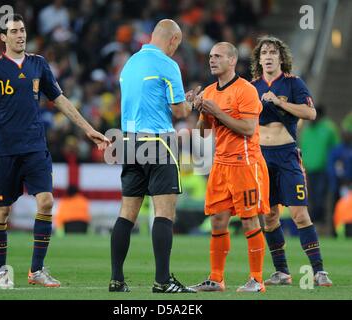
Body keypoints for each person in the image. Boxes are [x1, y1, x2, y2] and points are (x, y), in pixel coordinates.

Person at [0, 14, 110, 289]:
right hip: (4, 150)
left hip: (35, 147)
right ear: (3, 37)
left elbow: (60, 99)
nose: (20, 35)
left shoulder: (38, 64)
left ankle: (36, 270)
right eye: (14, 31)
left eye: (22, 30)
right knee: (2, 212)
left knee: (45, 202)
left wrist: (87, 128)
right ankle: (0, 272)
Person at [109, 19, 197, 293]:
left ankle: (116, 279)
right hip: (158, 141)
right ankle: (162, 281)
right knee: (164, 213)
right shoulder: (167, 65)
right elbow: (180, 112)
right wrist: (193, 102)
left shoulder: (130, 63)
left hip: (128, 141)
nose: (175, 50)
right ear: (172, 40)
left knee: (127, 213)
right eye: (177, 45)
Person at [251, 36, 332, 286]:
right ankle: (282, 272)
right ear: (259, 59)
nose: (268, 55)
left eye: (272, 52)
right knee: (270, 217)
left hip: (286, 154)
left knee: (299, 214)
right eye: (264, 52)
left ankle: (318, 270)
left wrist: (278, 102)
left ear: (281, 57)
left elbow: (310, 112)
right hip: (261, 157)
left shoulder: (293, 83)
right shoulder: (251, 86)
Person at [191, 42, 270, 293]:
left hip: (245, 163)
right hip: (221, 164)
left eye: (218, 56)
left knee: (249, 221)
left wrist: (217, 112)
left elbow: (248, 129)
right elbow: (202, 134)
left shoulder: (246, 90)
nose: (212, 60)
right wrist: (202, 111)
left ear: (232, 61)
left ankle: (257, 280)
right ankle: (216, 279)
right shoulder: (209, 92)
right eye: (210, 56)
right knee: (217, 221)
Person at [299, 105, 339, 223]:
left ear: (319, 116)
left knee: (320, 197)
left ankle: (320, 222)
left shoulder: (329, 128)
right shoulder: (306, 130)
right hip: (308, 170)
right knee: (311, 197)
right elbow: (302, 148)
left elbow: (335, 149)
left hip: (323, 170)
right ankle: (314, 222)